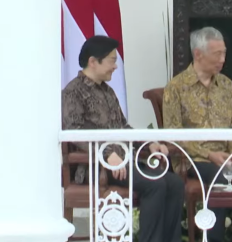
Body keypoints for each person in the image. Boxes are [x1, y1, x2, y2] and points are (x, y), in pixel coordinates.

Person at [62, 35, 184, 242]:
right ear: (93, 61)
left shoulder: (107, 92)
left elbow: (123, 127)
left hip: (125, 161)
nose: (115, 66)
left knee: (174, 183)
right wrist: (107, 155)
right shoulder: (73, 92)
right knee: (155, 185)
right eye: (111, 60)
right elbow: (74, 131)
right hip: (95, 166)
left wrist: (150, 143)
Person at [163, 26, 232, 242]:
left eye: (224, 53)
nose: (223, 59)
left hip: (228, 155)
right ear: (198, 54)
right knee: (219, 177)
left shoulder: (227, 85)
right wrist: (209, 154)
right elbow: (173, 132)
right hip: (193, 159)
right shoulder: (176, 87)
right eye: (217, 54)